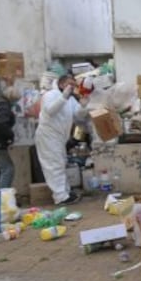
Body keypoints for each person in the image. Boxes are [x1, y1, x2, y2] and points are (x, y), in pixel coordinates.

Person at [35, 74, 85, 205]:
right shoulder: (50, 95)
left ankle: (65, 192)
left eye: (74, 85)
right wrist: (64, 97)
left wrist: (85, 104)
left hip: (59, 137)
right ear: (62, 84)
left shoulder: (70, 99)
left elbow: (78, 114)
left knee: (61, 163)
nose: (72, 87)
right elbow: (51, 110)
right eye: (70, 84)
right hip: (48, 135)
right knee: (54, 165)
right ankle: (60, 196)